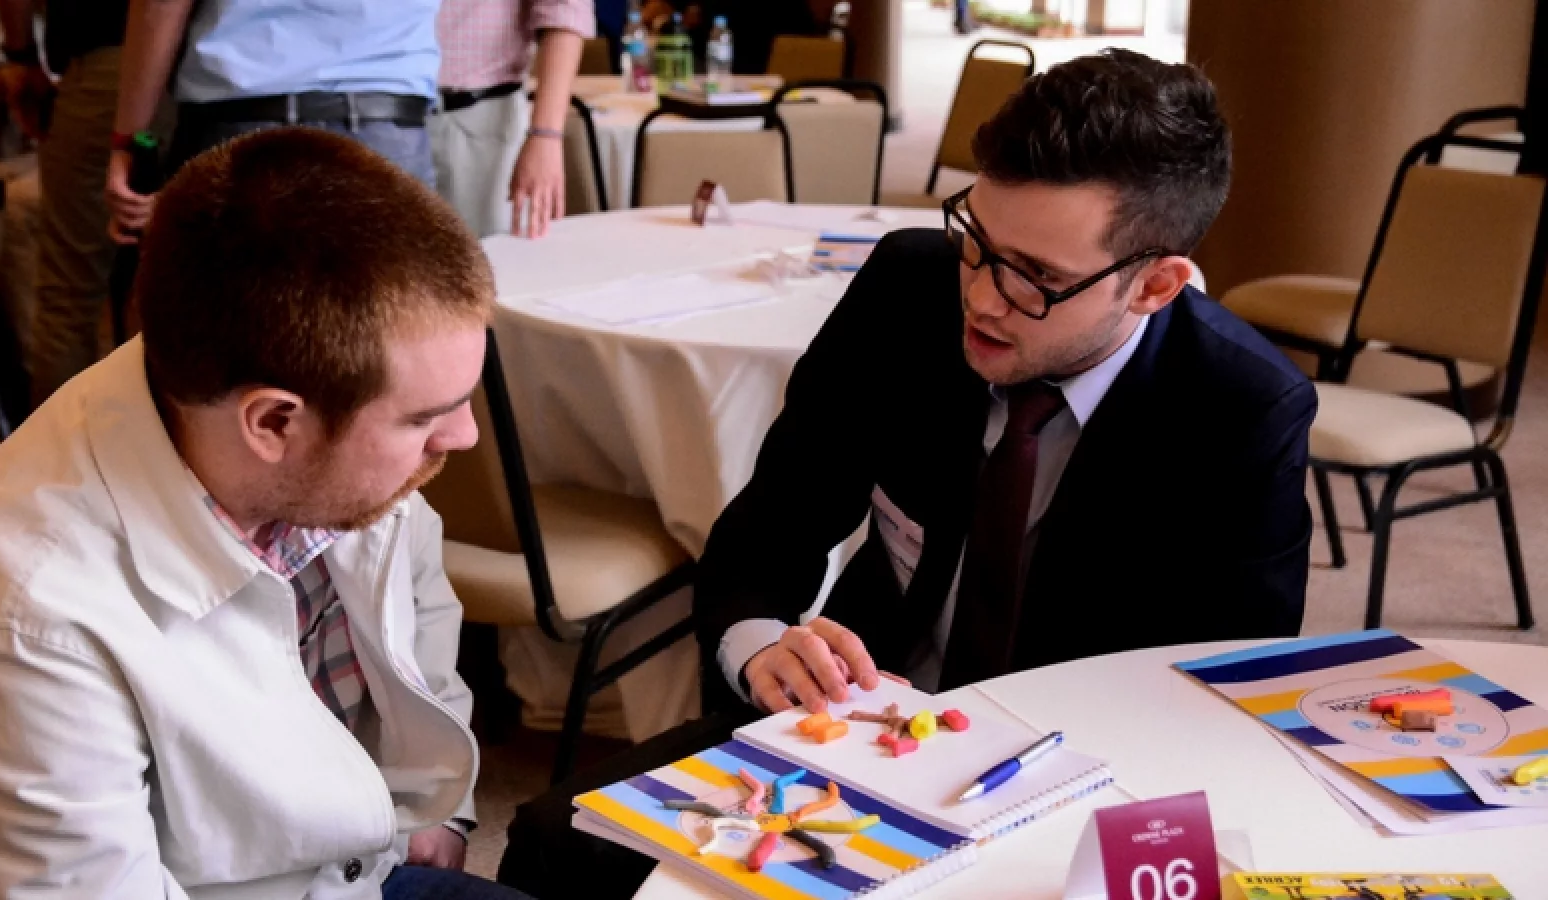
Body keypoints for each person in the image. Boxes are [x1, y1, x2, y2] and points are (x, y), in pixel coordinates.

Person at [496, 49, 1315, 900]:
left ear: (1155, 285)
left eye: (1038, 278)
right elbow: (771, 527)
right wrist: (761, 645)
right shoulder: (909, 288)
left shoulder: (1241, 408)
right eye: (978, 244)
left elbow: (1218, 688)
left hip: (1076, 779)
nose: (985, 298)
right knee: (556, 844)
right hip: (859, 725)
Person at [0, 128, 527, 900]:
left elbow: (417, 632)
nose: (463, 436)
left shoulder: (295, 419)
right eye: (425, 417)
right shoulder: (23, 620)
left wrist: (438, 811)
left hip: (366, 865)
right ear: (274, 423)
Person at [105, 0, 442, 241]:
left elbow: (159, 7)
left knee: (229, 315)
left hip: (245, 129)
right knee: (391, 315)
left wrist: (128, 138)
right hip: (390, 131)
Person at [0, 0, 130, 405]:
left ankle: (60, 444)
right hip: (217, 79)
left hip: (108, 66)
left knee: (70, 293)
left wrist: (22, 54)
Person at [430, 0, 593, 239]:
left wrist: (546, 135)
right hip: (384, 113)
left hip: (482, 122)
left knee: (492, 253)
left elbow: (565, 12)